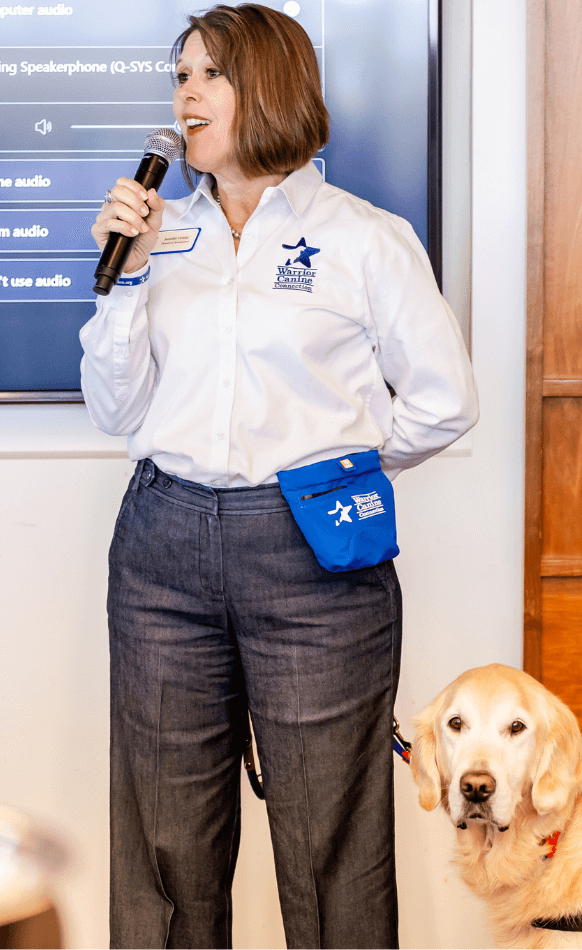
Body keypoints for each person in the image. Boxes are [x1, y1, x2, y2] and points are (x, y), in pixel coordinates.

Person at [79, 5, 478, 949]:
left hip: (311, 557)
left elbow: (443, 402)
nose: (185, 94)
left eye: (208, 74)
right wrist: (128, 277)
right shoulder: (161, 233)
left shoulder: (365, 238)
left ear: (269, 87)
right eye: (179, 75)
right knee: (166, 841)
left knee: (328, 840)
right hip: (161, 551)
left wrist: (336, 464)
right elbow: (119, 412)